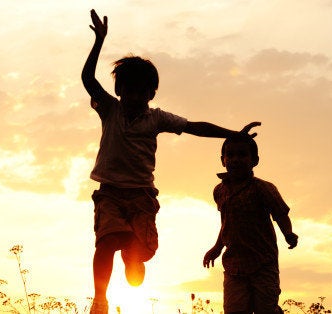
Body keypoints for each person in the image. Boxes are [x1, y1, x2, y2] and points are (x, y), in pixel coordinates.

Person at [81, 9, 261, 314]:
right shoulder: (109, 110)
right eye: (129, 90)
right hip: (110, 192)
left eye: (142, 92)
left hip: (141, 196)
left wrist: (233, 134)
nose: (135, 97)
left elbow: (195, 127)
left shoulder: (157, 119)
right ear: (119, 91)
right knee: (105, 243)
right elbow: (87, 79)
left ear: (151, 93)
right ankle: (100, 300)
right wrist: (99, 42)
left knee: (137, 265)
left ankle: (133, 256)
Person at [203, 133, 298, 314]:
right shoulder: (220, 191)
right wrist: (217, 247)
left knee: (265, 309)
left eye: (242, 155)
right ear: (222, 160)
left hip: (263, 263)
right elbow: (227, 223)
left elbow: (280, 214)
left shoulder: (263, 188)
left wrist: (288, 233)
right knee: (234, 309)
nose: (235, 159)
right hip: (234, 265)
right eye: (230, 155)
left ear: (254, 160)